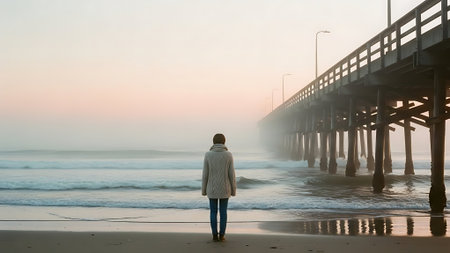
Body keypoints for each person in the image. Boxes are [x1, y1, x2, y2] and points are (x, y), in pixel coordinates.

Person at [202, 133, 236, 242]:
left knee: (213, 212)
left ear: (213, 142)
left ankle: (214, 235)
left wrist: (204, 190)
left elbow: (205, 174)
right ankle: (222, 235)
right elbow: (232, 175)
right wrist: (233, 190)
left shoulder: (208, 155)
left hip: (211, 189)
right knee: (223, 212)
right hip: (225, 189)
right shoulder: (228, 155)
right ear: (224, 142)